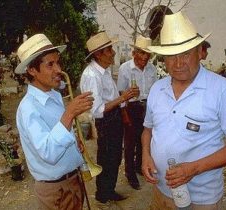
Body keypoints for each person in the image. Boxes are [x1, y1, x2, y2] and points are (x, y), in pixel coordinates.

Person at [142, 12, 226, 210]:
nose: (178, 63)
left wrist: (194, 168)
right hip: (161, 191)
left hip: (202, 197)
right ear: (163, 59)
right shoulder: (157, 88)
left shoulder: (221, 89)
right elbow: (148, 129)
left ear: (200, 52)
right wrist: (145, 155)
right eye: (171, 56)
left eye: (185, 53)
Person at [15, 34, 93, 210]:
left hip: (72, 181)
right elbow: (48, 152)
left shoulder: (55, 95)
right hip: (55, 190)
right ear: (32, 70)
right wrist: (69, 113)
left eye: (58, 62)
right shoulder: (28, 109)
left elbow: (58, 132)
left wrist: (74, 141)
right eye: (50, 64)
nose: (58, 69)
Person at [80, 31, 138, 203]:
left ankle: (108, 190)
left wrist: (123, 110)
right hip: (105, 121)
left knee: (113, 158)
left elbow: (110, 98)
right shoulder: (92, 75)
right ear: (98, 54)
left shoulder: (103, 71)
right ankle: (103, 195)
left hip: (113, 118)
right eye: (109, 50)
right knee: (106, 158)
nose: (113, 52)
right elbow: (97, 110)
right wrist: (123, 98)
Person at [117, 35, 157, 190]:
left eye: (147, 55)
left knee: (144, 140)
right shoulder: (125, 69)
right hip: (131, 108)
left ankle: (140, 166)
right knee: (130, 143)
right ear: (134, 53)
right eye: (142, 54)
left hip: (147, 107)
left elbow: (154, 92)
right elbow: (121, 95)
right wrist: (125, 115)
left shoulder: (152, 69)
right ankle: (129, 173)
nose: (145, 58)